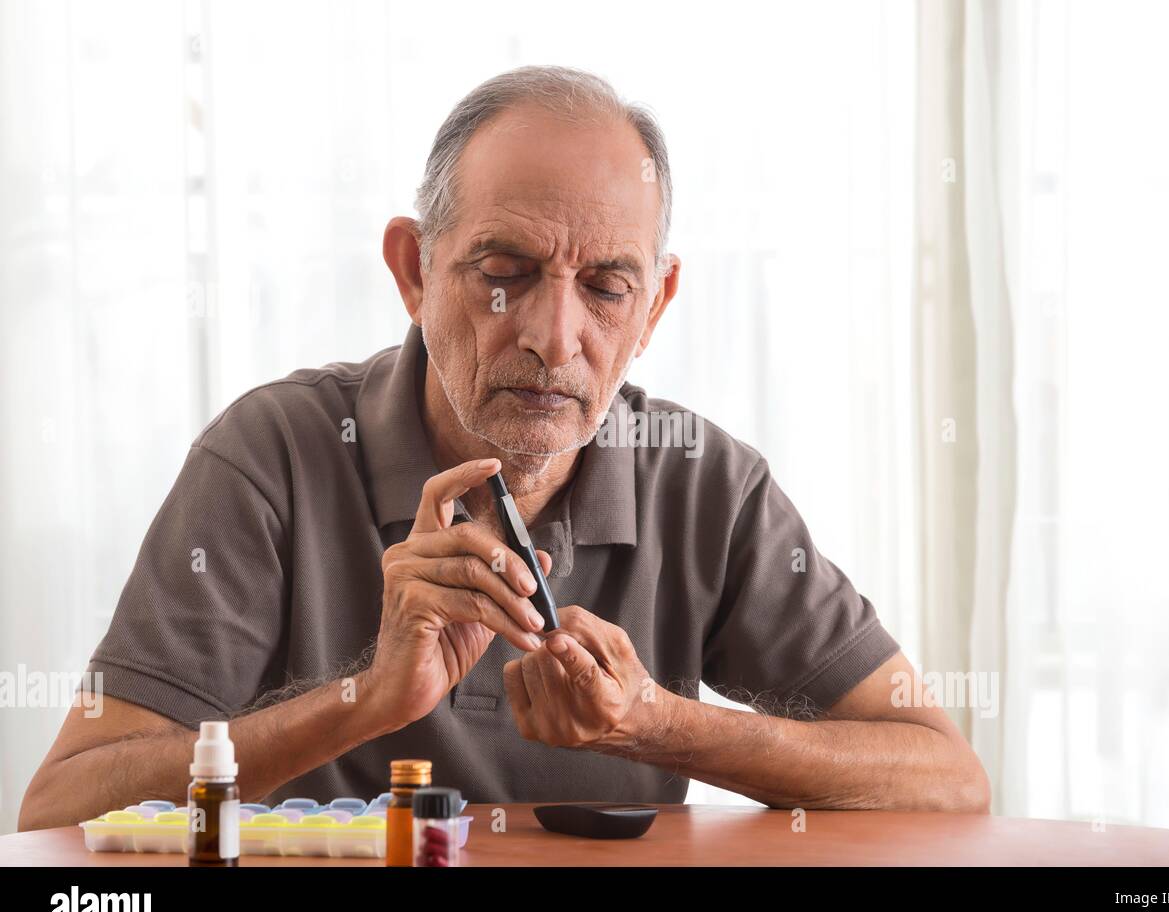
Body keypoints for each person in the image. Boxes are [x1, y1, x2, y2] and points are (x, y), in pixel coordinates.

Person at [20, 66, 988, 830]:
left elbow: (945, 777)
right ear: (412, 269)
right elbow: (61, 806)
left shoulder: (705, 484)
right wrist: (362, 697)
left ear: (654, 306)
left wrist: (655, 719)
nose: (553, 336)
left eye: (606, 286)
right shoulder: (270, 457)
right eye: (502, 273)